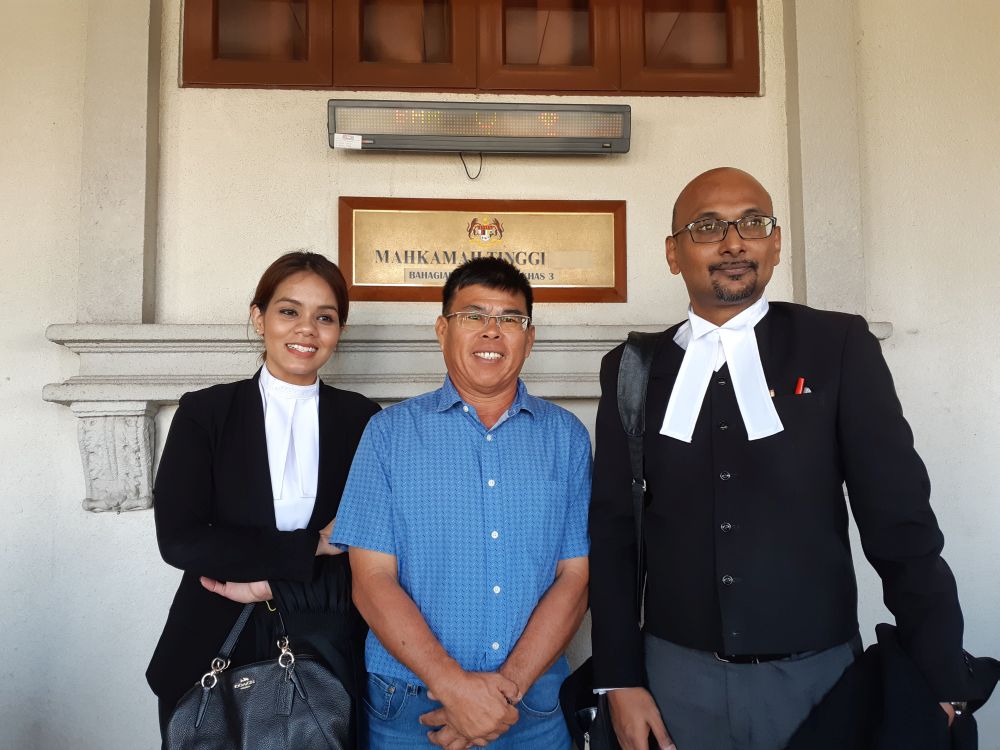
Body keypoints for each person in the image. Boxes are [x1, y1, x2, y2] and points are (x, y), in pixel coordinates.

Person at [588, 168, 971, 750]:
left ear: (776, 242)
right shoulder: (632, 369)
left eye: (752, 222)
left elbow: (900, 523)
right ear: (673, 253)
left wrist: (942, 676)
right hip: (673, 685)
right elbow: (615, 536)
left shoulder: (838, 346)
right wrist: (618, 680)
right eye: (708, 226)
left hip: (817, 681)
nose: (733, 241)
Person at [332, 257, 592, 749]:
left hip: (530, 707)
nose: (492, 332)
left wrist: (500, 695)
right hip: (408, 707)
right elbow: (371, 581)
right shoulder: (388, 434)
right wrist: (452, 686)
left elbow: (575, 579)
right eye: (474, 316)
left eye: (510, 319)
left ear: (529, 338)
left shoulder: (567, 439)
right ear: (442, 329)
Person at [146, 251, 380, 746]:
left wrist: (270, 578)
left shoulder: (362, 420)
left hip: (328, 640)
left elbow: (371, 545)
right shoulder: (205, 412)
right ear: (259, 318)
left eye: (325, 317)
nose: (307, 330)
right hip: (212, 636)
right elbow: (183, 541)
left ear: (340, 329)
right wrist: (311, 546)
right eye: (289, 311)